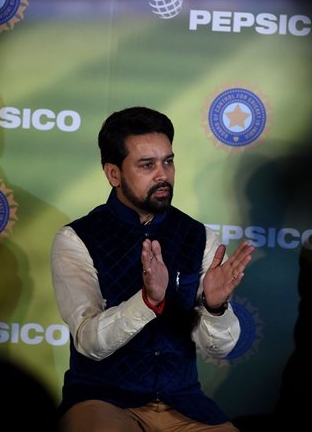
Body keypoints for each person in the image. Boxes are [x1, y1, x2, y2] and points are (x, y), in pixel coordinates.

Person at [50, 106, 255, 431]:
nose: (163, 175)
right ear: (113, 173)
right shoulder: (76, 239)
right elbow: (88, 341)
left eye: (168, 161)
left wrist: (215, 308)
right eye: (147, 165)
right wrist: (146, 302)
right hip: (103, 401)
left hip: (184, 403)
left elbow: (221, 347)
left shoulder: (200, 237)